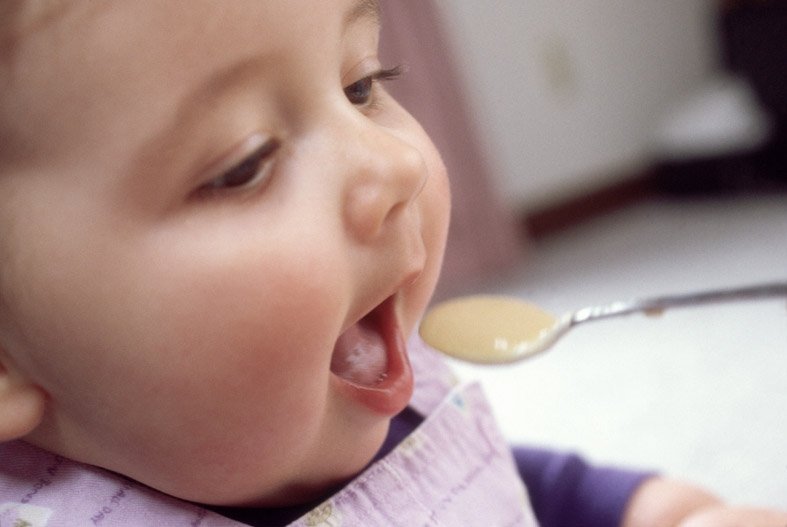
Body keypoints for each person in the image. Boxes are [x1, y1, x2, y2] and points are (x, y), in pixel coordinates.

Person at [0, 1, 785, 525]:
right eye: (245, 164)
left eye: (361, 85)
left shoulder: (361, 384)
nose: (395, 165)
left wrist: (660, 510)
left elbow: (468, 486)